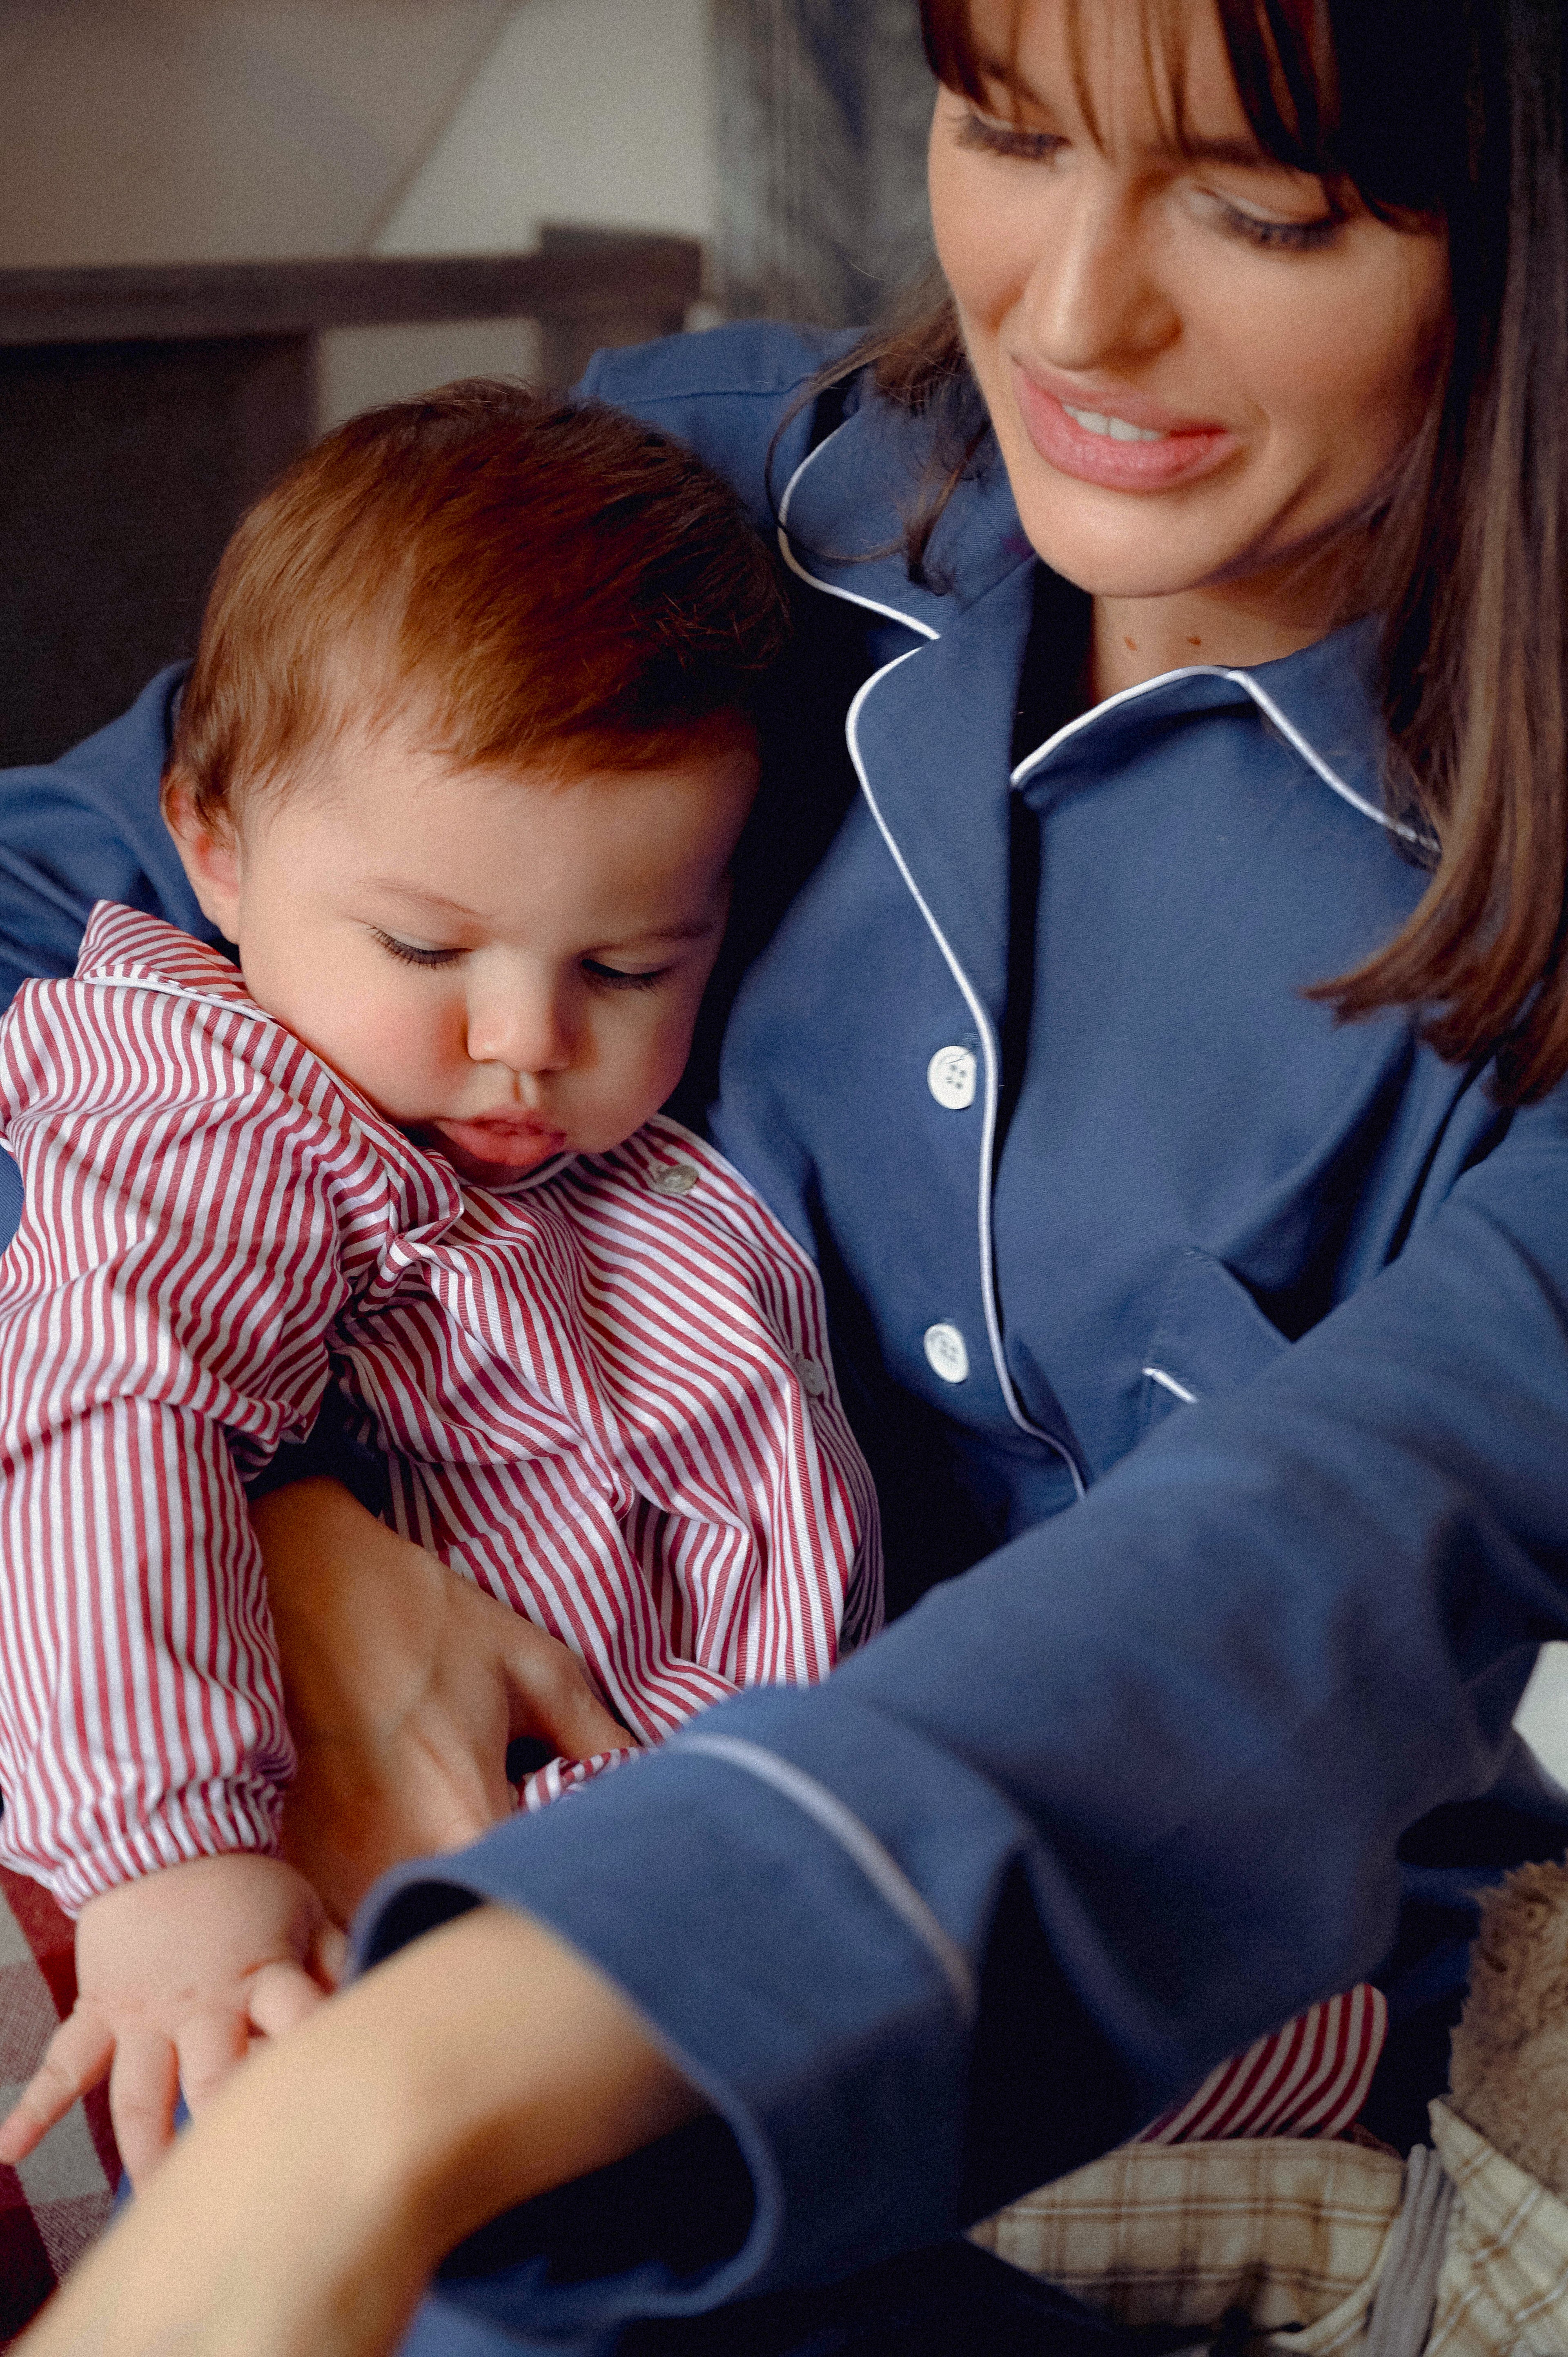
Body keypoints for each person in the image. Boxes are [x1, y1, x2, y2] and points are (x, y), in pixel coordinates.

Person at [8, 0, 1568, 2349]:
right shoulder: (708, 490)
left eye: (1265, 209)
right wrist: (262, 1516)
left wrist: (437, 2068)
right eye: (1007, 130)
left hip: (1080, 2065)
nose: (1068, 314)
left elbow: (1318, 1560)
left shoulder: (1523, 930)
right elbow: (74, 935)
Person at [0, 385, 880, 2188]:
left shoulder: (616, 1160)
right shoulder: (223, 1104)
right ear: (216, 846)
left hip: (712, 1849)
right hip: (287, 1878)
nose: (522, 1044)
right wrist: (173, 1859)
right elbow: (108, 1406)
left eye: (631, 966)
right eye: (426, 946)